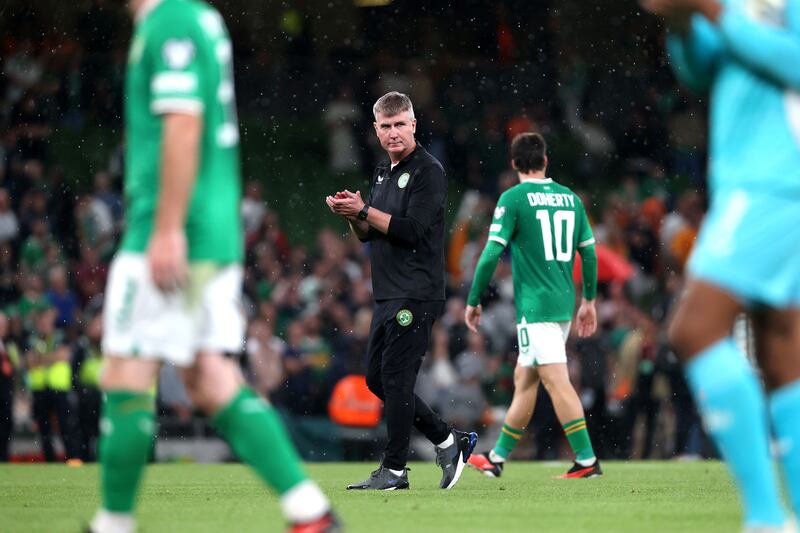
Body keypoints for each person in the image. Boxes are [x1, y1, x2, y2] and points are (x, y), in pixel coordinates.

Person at [88, 1, 338, 532]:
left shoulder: (171, 19)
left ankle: (113, 523)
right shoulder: (198, 16)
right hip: (211, 229)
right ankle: (310, 512)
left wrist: (166, 228)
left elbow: (183, 125)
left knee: (126, 373)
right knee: (208, 377)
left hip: (177, 226)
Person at [641, 1, 800, 531]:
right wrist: (683, 22)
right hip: (757, 183)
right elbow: (701, 71)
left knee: (694, 329)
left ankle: (764, 518)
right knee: (782, 357)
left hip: (773, 183)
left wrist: (713, 12)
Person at [326, 91, 477, 491]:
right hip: (387, 292)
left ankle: (394, 470)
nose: (394, 133)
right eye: (386, 126)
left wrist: (364, 211)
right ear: (376, 131)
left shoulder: (429, 171)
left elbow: (413, 230)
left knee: (395, 379)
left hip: (416, 291)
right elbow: (367, 233)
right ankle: (449, 440)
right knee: (378, 381)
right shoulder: (382, 172)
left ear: (413, 125)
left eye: (400, 125)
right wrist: (351, 212)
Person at [463, 132, 602, 479]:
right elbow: (588, 251)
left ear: (514, 164)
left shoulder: (513, 198)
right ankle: (496, 459)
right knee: (525, 379)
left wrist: (474, 298)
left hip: (535, 306)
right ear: (545, 160)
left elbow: (492, 252)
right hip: (563, 303)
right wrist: (589, 300)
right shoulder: (571, 198)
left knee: (556, 381)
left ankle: (586, 461)